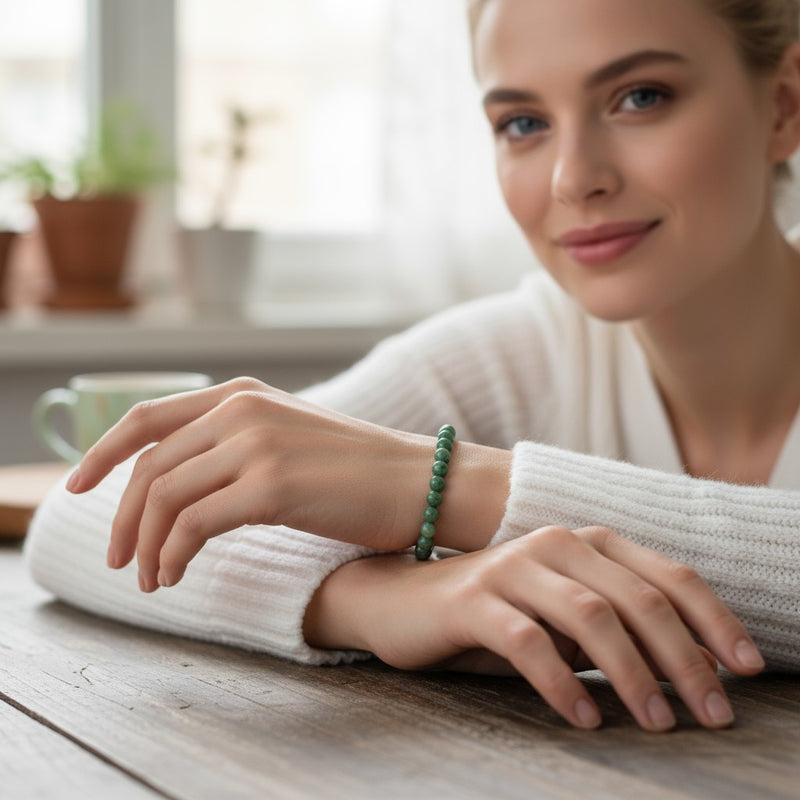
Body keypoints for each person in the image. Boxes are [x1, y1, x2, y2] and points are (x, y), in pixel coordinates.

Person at [25, 0, 800, 734]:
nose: (572, 178)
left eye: (640, 97)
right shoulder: (524, 349)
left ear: (784, 106)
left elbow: (428, 481)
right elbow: (83, 512)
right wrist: (374, 600)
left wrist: (445, 484)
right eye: (523, 123)